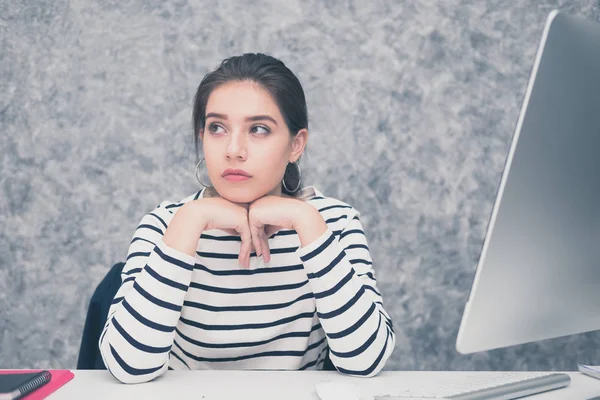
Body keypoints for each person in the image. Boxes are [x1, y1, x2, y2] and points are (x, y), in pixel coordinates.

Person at [99, 53, 395, 384]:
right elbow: (128, 367)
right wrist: (189, 223)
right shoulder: (165, 225)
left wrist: (306, 221)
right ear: (203, 137)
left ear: (296, 145)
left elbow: (366, 361)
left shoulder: (333, 222)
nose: (234, 149)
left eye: (258, 129)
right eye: (217, 128)